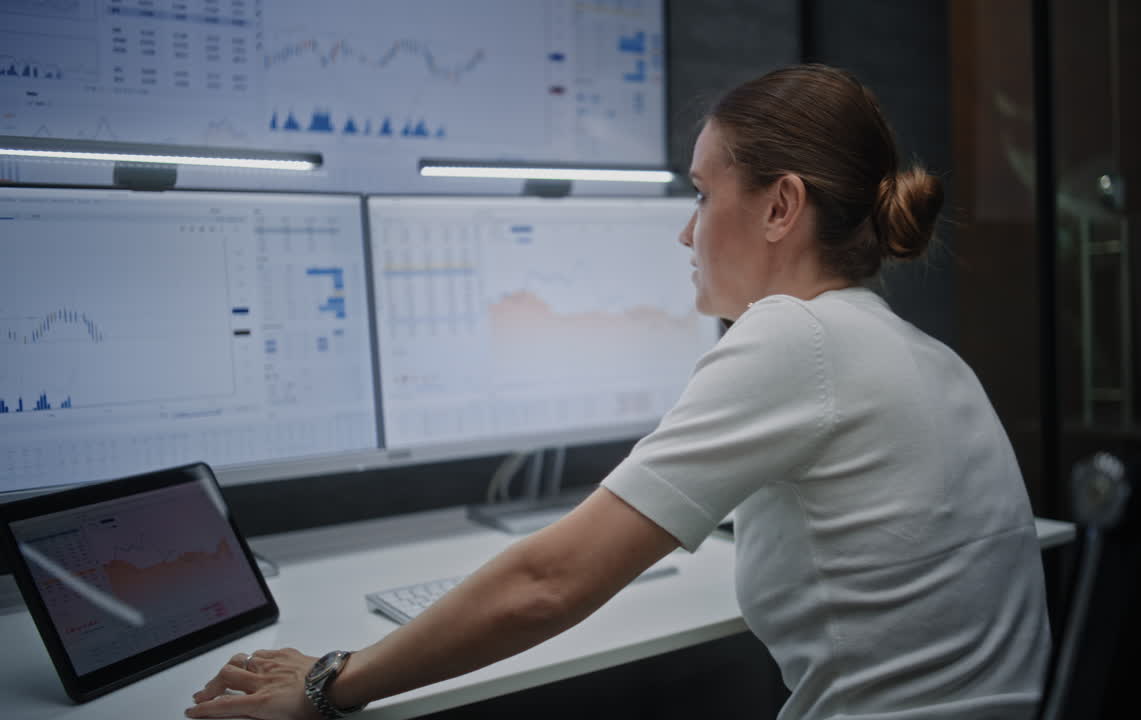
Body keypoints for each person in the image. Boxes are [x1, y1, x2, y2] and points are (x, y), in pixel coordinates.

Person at [186, 64, 1050, 720]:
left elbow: (547, 583)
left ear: (781, 206)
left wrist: (330, 680)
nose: (685, 229)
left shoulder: (796, 336)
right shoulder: (919, 351)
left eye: (704, 193)